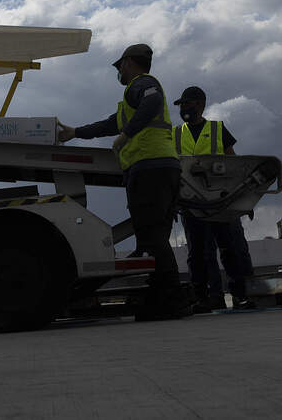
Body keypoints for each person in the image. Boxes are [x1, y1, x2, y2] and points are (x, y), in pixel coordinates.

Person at [58, 44, 190, 319]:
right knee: (155, 239)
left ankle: (172, 302)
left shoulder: (142, 84)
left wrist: (125, 135)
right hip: (161, 168)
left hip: (150, 167)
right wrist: (76, 132)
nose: (119, 72)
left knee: (152, 238)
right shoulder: (133, 99)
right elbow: (109, 124)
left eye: (119, 67)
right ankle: (164, 299)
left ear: (129, 63)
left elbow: (151, 102)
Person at [173, 86, 256, 311]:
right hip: (192, 203)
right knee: (199, 253)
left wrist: (244, 198)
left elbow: (234, 164)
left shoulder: (217, 129)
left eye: (187, 103)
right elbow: (172, 171)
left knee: (231, 249)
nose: (183, 108)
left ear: (200, 104)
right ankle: (206, 298)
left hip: (221, 202)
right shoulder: (175, 134)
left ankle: (240, 296)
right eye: (181, 105)